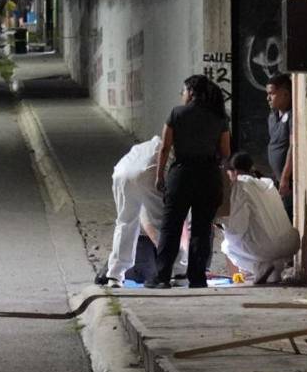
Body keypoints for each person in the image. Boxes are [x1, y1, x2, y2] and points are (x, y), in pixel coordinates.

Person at [145, 75, 231, 289]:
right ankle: (198, 278)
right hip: (208, 177)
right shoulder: (219, 116)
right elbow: (225, 152)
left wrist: (159, 175)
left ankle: (162, 276)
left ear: (191, 92)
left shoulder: (177, 113)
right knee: (202, 229)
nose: (182, 95)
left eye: (183, 91)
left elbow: (165, 148)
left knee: (171, 227)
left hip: (181, 176)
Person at [98, 134, 187, 287]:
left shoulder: (143, 147)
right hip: (148, 173)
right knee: (163, 224)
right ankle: (179, 272)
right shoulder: (172, 152)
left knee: (125, 223)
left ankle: (115, 275)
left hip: (121, 173)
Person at [220, 152, 299, 284]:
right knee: (269, 248)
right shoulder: (267, 183)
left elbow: (237, 228)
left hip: (265, 247)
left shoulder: (240, 186)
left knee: (226, 245)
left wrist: (223, 225)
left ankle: (259, 268)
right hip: (290, 243)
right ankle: (273, 273)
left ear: (233, 171)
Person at [266, 72, 294, 222]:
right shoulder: (272, 117)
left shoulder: (292, 115)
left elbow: (293, 146)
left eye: (272, 93)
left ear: (285, 94)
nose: (268, 98)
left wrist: (285, 177)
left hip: (289, 182)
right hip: (277, 180)